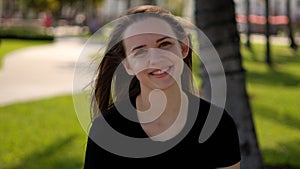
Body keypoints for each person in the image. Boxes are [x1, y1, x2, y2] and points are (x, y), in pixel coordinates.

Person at [83, 5, 241, 169]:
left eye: (164, 44)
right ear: (127, 65)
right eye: (140, 52)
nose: (156, 59)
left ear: (183, 47)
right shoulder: (106, 130)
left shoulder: (218, 126)